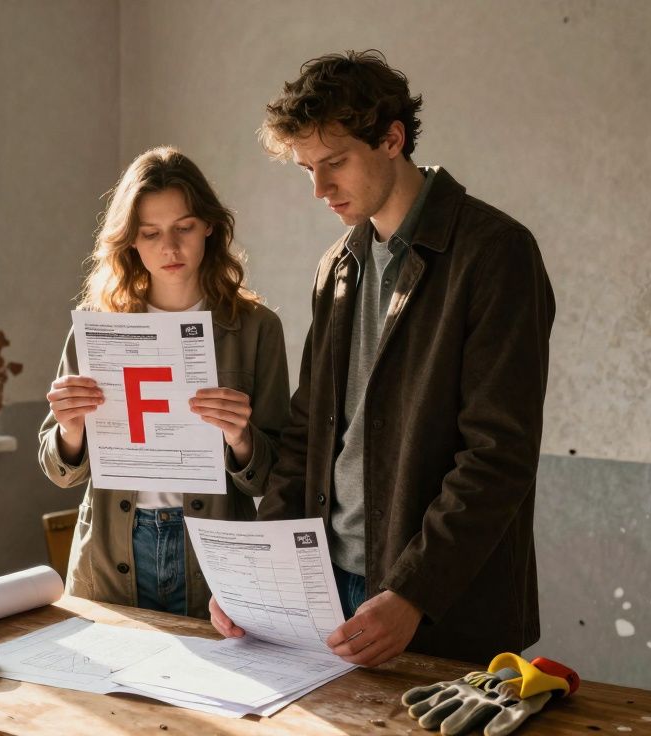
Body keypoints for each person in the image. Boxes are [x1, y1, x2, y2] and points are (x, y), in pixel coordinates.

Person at [209, 50, 555, 666]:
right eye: (306, 169)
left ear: (392, 139)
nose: (319, 189)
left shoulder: (495, 253)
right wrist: (258, 575)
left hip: (437, 602)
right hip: (327, 587)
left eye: (335, 162)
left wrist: (413, 592)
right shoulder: (337, 266)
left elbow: (498, 456)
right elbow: (307, 434)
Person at [38, 146, 290, 619]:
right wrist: (71, 430)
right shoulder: (97, 326)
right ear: (130, 240)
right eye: (151, 233)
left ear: (210, 225)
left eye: (184, 228)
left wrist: (240, 438)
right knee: (114, 668)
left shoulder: (257, 328)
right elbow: (60, 471)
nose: (169, 249)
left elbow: (277, 475)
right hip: (111, 551)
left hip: (215, 553)